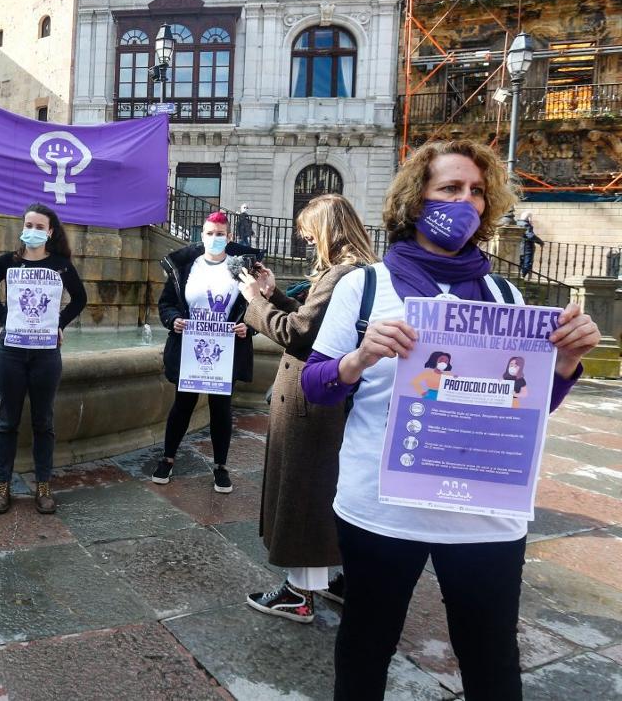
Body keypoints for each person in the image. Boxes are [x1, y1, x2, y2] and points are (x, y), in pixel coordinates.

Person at [301, 139, 600, 700]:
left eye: (478, 191)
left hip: (484, 516)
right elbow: (314, 386)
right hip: (383, 510)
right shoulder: (365, 288)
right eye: (450, 188)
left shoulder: (507, 297)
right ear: (416, 200)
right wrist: (359, 358)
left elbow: (529, 408)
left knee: (491, 658)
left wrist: (563, 365)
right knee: (366, 647)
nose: (466, 201)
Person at [237, 193, 376, 623]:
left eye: (308, 232)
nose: (303, 239)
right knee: (327, 490)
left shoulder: (340, 276)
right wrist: (275, 294)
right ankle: (343, 580)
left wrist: (253, 302)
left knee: (305, 494)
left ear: (326, 231)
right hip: (326, 399)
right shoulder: (359, 272)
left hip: (310, 403)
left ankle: (299, 593)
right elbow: (317, 325)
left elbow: (299, 334)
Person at [0, 203, 87, 516]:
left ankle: (43, 485)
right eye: (27, 224)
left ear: (50, 231)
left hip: (46, 354)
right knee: (7, 422)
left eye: (38, 226)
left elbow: (80, 299)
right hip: (11, 352)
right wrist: (3, 315)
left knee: (44, 422)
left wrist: (59, 322)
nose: (31, 230)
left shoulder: (61, 265)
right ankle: (2, 485)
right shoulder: (7, 263)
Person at [153, 210, 256, 493]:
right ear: (202, 235)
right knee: (182, 405)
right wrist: (173, 320)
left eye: (220, 234)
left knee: (221, 409)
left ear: (229, 237)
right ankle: (167, 458)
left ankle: (221, 467)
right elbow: (166, 304)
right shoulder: (185, 266)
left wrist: (248, 327)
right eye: (210, 234)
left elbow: (256, 307)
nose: (215, 238)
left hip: (226, 349)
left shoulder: (241, 268)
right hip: (191, 348)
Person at [518, 210, 543, 278]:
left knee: (520, 263)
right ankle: (521, 277)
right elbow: (530, 235)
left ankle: (520, 276)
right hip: (527, 248)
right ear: (528, 218)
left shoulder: (517, 223)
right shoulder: (526, 225)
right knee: (527, 264)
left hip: (519, 247)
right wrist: (540, 242)